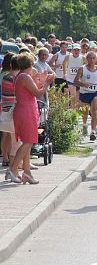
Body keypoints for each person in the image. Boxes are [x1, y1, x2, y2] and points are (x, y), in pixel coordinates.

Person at [8, 53, 55, 184]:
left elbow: (33, 90)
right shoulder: (25, 77)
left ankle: (26, 172)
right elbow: (38, 93)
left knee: (27, 142)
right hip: (26, 111)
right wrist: (46, 83)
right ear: (29, 64)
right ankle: (13, 169)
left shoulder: (21, 76)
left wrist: (41, 80)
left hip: (25, 110)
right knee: (28, 142)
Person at [74, 51, 97, 141]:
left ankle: (93, 131)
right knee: (85, 113)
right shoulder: (82, 69)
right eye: (90, 58)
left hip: (95, 93)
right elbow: (75, 81)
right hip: (84, 93)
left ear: (96, 59)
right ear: (87, 59)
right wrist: (83, 84)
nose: (92, 60)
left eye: (94, 58)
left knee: (94, 111)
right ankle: (85, 125)